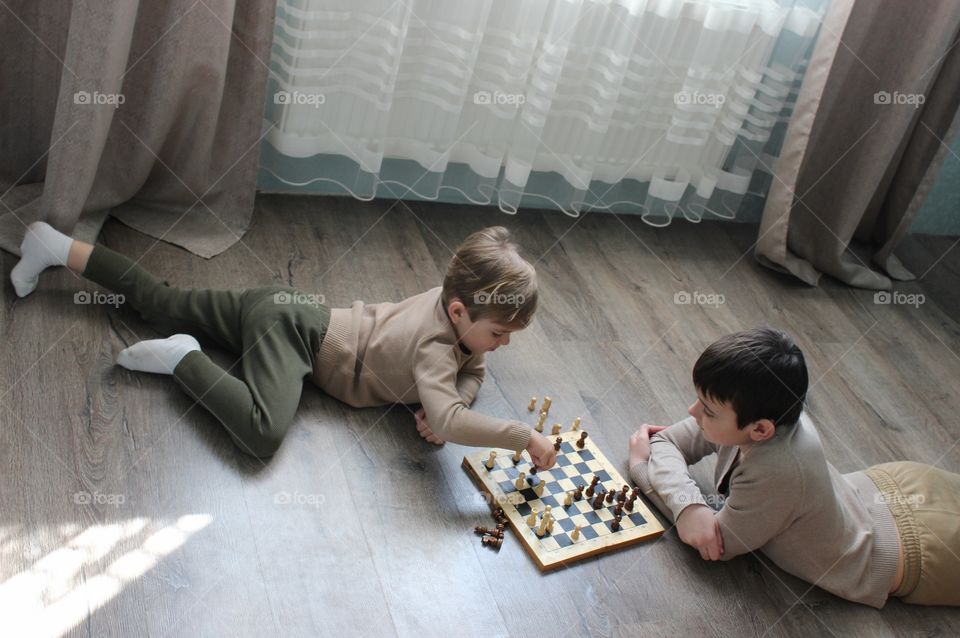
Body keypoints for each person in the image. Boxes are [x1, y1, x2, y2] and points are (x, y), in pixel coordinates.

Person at [12, 221, 557, 468]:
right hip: (294, 337)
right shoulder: (439, 346)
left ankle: (54, 245)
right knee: (262, 434)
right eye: (498, 334)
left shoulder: (455, 305)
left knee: (158, 297)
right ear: (460, 311)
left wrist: (448, 401)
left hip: (281, 306)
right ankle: (185, 359)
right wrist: (515, 433)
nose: (500, 346)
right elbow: (454, 418)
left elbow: (472, 375)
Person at [628, 327, 960, 608]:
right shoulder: (764, 408)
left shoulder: (776, 467)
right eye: (698, 399)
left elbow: (716, 543)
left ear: (760, 430)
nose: (692, 411)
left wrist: (646, 472)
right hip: (892, 488)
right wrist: (690, 505)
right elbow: (668, 442)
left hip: (921, 556)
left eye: (708, 410)